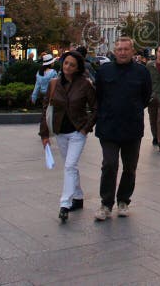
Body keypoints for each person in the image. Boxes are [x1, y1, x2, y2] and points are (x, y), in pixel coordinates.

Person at [93, 37, 152, 221]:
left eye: (126, 49)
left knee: (130, 167)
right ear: (114, 50)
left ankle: (124, 200)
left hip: (132, 127)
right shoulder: (104, 71)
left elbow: (146, 96)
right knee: (109, 164)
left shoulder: (142, 72)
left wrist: (132, 110)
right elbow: (98, 96)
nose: (123, 52)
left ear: (132, 51)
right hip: (109, 127)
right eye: (119, 49)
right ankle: (106, 203)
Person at [39, 51, 96, 223]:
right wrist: (44, 134)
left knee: (70, 166)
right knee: (70, 166)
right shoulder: (54, 84)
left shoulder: (85, 84)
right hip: (60, 132)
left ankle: (65, 204)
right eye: (65, 63)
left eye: (72, 64)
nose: (67, 67)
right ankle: (78, 196)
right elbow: (45, 109)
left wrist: (86, 128)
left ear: (78, 67)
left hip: (78, 131)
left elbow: (96, 108)